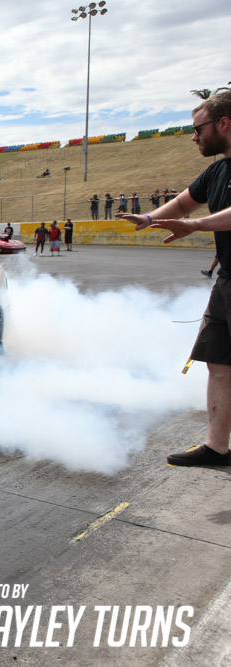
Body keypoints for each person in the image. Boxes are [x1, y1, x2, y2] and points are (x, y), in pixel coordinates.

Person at [117, 91, 231, 466]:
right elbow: (184, 202)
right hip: (227, 280)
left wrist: (195, 226)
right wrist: (149, 218)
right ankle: (217, 447)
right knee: (218, 362)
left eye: (198, 128)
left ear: (223, 124)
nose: (194, 136)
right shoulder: (218, 170)